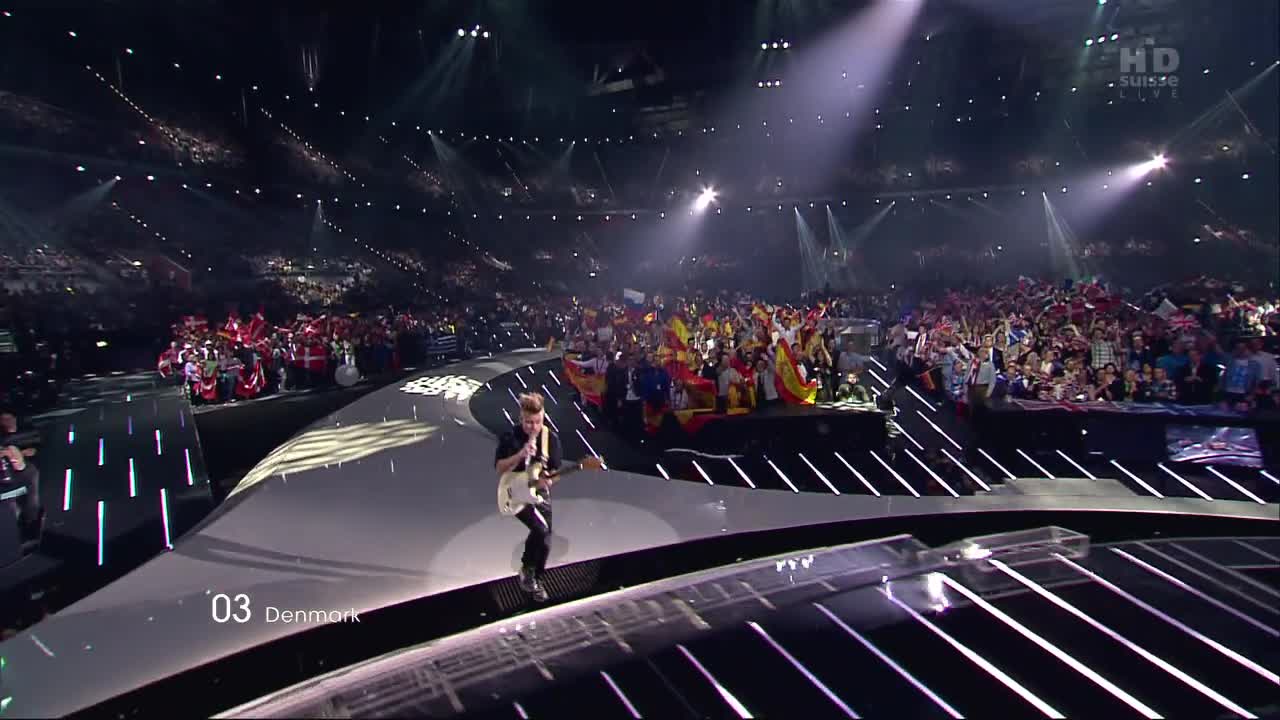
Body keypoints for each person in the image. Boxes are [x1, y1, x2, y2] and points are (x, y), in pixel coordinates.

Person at [494, 393, 565, 602]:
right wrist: (521, 454)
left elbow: (555, 472)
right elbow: (499, 467)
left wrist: (548, 481)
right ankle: (528, 568)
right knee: (540, 529)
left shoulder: (550, 439)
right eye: (528, 422)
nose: (533, 427)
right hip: (514, 489)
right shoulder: (511, 436)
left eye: (537, 422)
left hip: (537, 490)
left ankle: (535, 578)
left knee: (545, 538)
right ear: (521, 418)